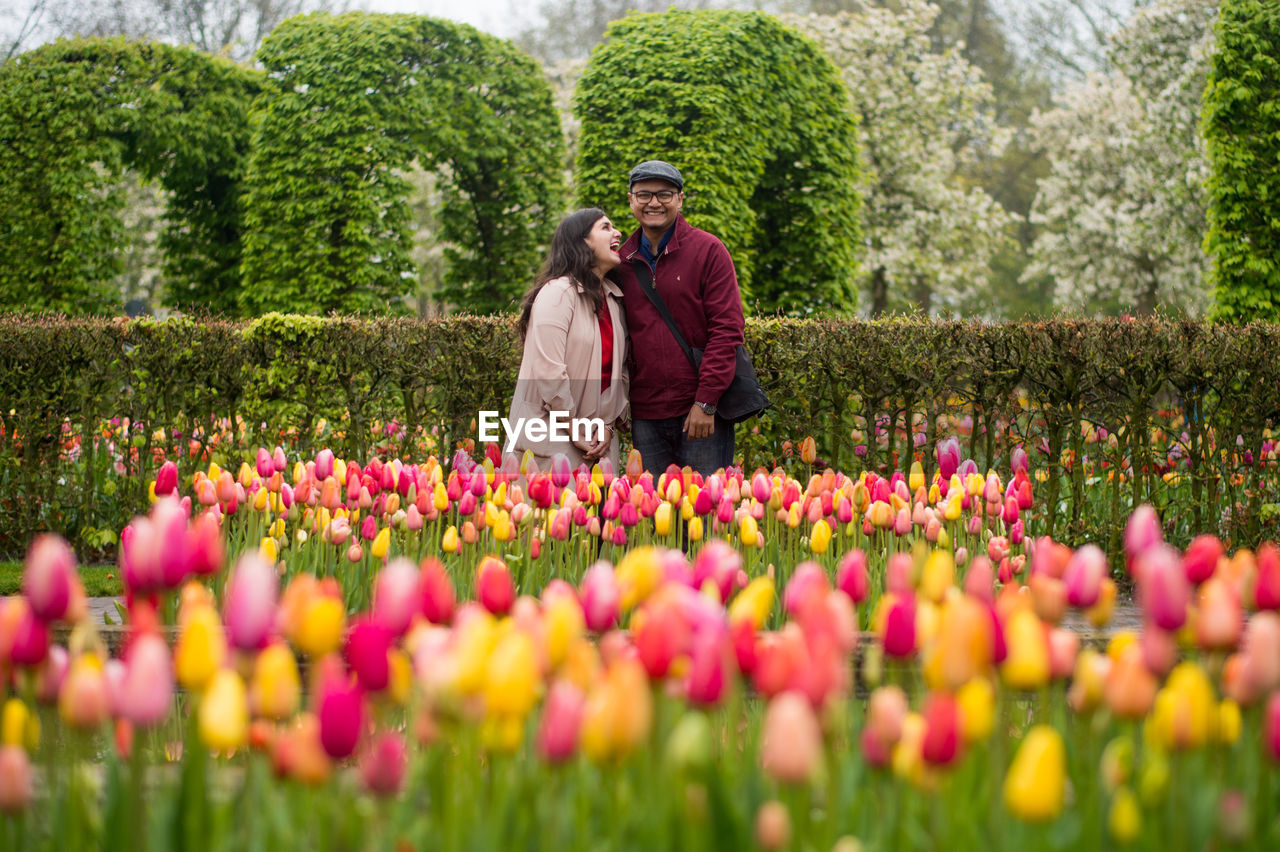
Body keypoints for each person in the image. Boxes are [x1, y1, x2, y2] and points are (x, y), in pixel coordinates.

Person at [615, 160, 745, 477]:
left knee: (704, 515)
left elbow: (727, 331)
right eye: (644, 194)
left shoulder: (708, 251)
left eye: (665, 194)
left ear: (680, 199)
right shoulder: (621, 261)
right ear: (631, 199)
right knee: (653, 517)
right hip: (646, 414)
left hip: (701, 414)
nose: (654, 202)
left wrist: (706, 402)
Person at [507, 208, 629, 472]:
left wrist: (608, 424)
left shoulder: (614, 299)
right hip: (550, 435)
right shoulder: (558, 293)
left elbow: (619, 374)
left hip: (599, 443)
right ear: (582, 240)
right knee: (546, 513)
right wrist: (573, 426)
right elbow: (549, 369)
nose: (618, 233)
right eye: (606, 227)